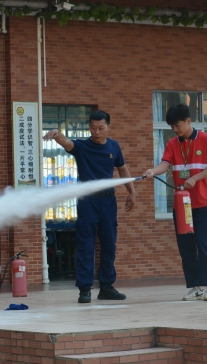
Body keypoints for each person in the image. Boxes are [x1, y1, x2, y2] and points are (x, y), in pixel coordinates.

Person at [43, 110, 136, 304]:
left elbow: (122, 169)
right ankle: (84, 289)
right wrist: (57, 134)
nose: (96, 132)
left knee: (109, 245)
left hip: (108, 201)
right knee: (86, 245)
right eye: (93, 128)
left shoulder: (114, 146)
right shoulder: (82, 147)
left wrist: (131, 191)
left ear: (109, 127)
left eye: (101, 128)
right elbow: (67, 143)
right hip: (88, 202)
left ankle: (106, 287)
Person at [142, 103, 207, 301]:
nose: (175, 129)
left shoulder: (205, 139)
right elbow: (165, 164)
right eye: (172, 126)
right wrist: (152, 171)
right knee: (186, 248)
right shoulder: (172, 144)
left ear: (188, 121)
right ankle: (195, 287)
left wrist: (195, 178)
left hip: (203, 203)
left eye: (178, 125)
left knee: (204, 245)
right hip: (182, 205)